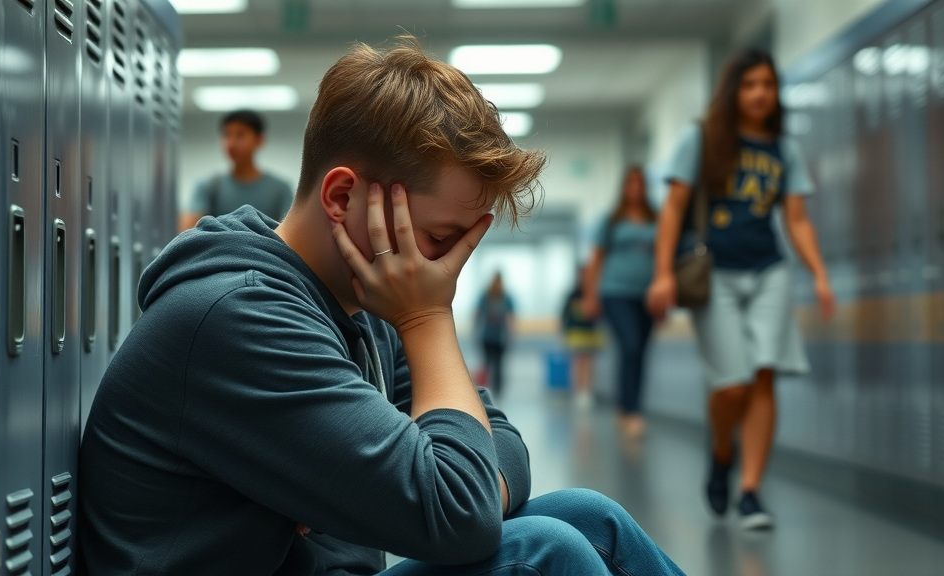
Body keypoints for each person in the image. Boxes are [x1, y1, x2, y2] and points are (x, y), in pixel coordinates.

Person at [79, 37, 685, 576]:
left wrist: (458, 480)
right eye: (441, 240)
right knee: (545, 551)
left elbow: (493, 435)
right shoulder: (239, 316)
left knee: (590, 518)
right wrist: (429, 320)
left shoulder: (361, 305)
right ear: (344, 197)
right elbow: (460, 511)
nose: (446, 271)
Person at [648, 48, 834, 530]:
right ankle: (722, 449)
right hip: (716, 276)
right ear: (734, 92)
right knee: (733, 384)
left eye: (767, 86)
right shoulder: (703, 138)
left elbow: (795, 218)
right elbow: (672, 208)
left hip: (769, 269)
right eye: (749, 85)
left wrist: (819, 272)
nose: (758, 94)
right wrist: (663, 272)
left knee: (764, 375)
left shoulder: (782, 149)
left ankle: (750, 491)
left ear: (776, 93)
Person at [583, 167, 658, 439]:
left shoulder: (657, 218)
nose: (636, 189)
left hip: (647, 296)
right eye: (631, 184)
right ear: (624, 187)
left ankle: (631, 406)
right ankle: (630, 411)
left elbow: (665, 257)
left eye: (640, 184)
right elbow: (596, 259)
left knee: (640, 353)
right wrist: (591, 296)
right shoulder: (611, 220)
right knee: (630, 346)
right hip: (615, 292)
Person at [177, 109, 294, 232]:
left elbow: (290, 233)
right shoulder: (209, 186)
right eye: (227, 135)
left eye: (240, 135)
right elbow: (187, 229)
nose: (231, 143)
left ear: (259, 140)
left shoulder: (280, 189)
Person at [561, 264, 603, 408]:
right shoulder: (573, 295)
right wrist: (563, 332)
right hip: (576, 334)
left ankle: (587, 392)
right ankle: (578, 392)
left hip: (590, 333)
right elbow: (564, 315)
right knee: (578, 363)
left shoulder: (594, 294)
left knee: (589, 364)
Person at [475, 273, 515, 396]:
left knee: (498, 365)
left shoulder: (506, 298)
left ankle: (496, 391)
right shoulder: (486, 296)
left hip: (499, 338)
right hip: (488, 337)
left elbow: (510, 318)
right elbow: (478, 314)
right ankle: (486, 390)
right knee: (488, 364)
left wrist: (510, 334)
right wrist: (476, 330)